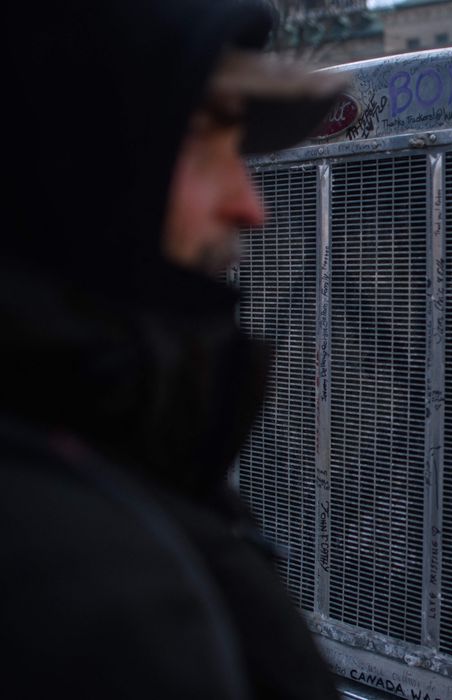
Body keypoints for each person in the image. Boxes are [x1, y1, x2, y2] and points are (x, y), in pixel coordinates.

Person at [1, 1, 346, 697]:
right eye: (201, 138)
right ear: (63, 158)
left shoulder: (110, 454)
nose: (251, 205)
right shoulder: (100, 600)